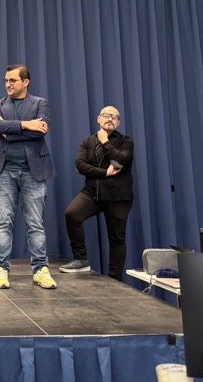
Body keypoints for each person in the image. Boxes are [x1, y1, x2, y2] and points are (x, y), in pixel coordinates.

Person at [0, 64, 57, 290]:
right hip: (3, 171)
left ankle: (40, 270)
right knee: (4, 222)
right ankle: (1, 268)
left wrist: (8, 132)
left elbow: (40, 132)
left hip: (33, 170)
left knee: (35, 223)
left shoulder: (40, 103)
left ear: (25, 82)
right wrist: (27, 125)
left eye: (12, 80)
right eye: (6, 81)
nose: (8, 84)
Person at [60, 105, 134, 281]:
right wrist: (104, 172)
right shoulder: (87, 142)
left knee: (117, 239)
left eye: (114, 117)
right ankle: (81, 259)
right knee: (72, 214)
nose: (110, 119)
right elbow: (80, 165)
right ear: (98, 118)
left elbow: (120, 159)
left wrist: (105, 141)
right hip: (92, 192)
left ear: (118, 122)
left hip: (118, 196)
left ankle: (115, 279)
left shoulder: (126, 141)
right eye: (106, 115)